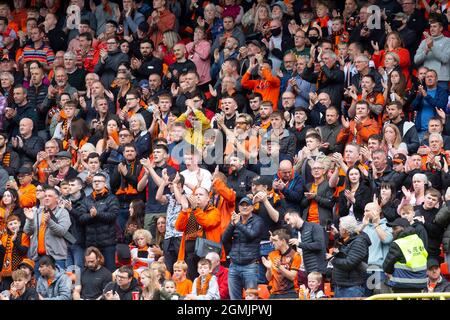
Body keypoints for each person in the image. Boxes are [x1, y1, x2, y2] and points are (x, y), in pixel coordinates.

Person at [175, 187, 221, 280]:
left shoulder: (214, 211)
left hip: (207, 255)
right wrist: (184, 210)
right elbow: (178, 227)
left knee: (206, 281)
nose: (198, 196)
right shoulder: (189, 211)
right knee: (192, 281)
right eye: (196, 195)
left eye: (201, 194)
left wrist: (196, 209)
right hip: (190, 255)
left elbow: (207, 223)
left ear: (208, 198)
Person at [222, 196, 264, 300]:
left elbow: (251, 235)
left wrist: (238, 224)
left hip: (250, 266)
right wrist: (232, 224)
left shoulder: (257, 220)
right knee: (234, 298)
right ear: (239, 208)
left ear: (252, 207)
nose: (244, 207)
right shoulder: (235, 221)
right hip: (234, 265)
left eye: (247, 205)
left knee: (251, 298)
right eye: (242, 205)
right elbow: (224, 239)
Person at [79, 173, 119, 272]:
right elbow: (81, 217)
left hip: (108, 243)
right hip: (91, 243)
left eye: (99, 181)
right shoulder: (87, 199)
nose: (96, 183)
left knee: (110, 271)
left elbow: (113, 216)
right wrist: (91, 215)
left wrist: (98, 214)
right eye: (94, 181)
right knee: (91, 271)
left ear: (105, 183)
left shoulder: (111, 198)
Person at [23, 187, 71, 270]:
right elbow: (27, 231)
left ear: (57, 199)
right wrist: (30, 220)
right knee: (40, 283)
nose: (46, 198)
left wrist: (49, 221)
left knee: (58, 282)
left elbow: (62, 231)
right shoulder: (36, 212)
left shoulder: (63, 212)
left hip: (56, 257)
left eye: (50, 196)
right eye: (45, 196)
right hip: (38, 257)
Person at [383, 217, 428, 293]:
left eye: (395, 228)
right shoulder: (418, 239)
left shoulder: (397, 243)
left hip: (402, 284)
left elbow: (387, 266)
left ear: (403, 228)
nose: (392, 231)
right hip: (420, 282)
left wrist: (389, 272)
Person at [331, 216, 371, 298]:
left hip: (351, 288)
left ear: (345, 230)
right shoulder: (346, 239)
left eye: (340, 227)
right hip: (341, 286)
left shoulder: (359, 242)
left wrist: (333, 260)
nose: (338, 229)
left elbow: (349, 263)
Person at [358, 202, 393, 295]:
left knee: (377, 295)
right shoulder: (363, 226)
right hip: (363, 269)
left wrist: (376, 225)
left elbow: (386, 239)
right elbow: (350, 239)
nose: (364, 213)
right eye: (364, 211)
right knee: (365, 296)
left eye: (367, 211)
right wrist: (363, 225)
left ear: (377, 211)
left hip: (378, 269)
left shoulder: (387, 226)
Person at [284, 210, 327, 275]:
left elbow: (319, 245)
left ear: (295, 216)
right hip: (303, 271)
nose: (288, 223)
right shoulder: (294, 232)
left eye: (288, 219)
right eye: (286, 221)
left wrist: (299, 244)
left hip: (316, 272)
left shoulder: (314, 226)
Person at [262, 228, 301, 299]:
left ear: (283, 241)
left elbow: (292, 277)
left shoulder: (295, 255)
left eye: (275, 240)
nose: (273, 243)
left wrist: (280, 267)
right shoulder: (272, 254)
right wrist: (268, 269)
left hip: (290, 293)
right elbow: (268, 278)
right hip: (274, 293)